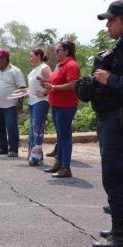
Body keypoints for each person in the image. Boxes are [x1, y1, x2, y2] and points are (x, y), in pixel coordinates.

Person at [90, 1, 123, 246]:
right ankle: (117, 229)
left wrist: (110, 79)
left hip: (117, 122)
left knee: (114, 175)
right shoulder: (118, 47)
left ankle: (119, 235)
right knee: (113, 175)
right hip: (110, 119)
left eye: (112, 20)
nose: (108, 25)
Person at [41, 41, 80, 178]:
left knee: (65, 137)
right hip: (57, 105)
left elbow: (72, 85)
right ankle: (59, 163)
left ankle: (66, 168)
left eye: (58, 50)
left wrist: (53, 88)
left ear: (66, 51)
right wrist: (46, 85)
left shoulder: (71, 65)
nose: (55, 52)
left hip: (66, 106)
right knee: (61, 136)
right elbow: (55, 83)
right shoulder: (60, 65)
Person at [0, 49, 26, 157]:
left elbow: (22, 87)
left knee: (11, 127)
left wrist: (20, 102)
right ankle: (2, 148)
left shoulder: (15, 71)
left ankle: (13, 150)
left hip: (10, 105)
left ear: (6, 59)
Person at [27, 49, 52, 166]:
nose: (30, 58)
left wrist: (45, 93)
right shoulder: (33, 70)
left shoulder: (44, 68)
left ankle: (35, 155)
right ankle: (35, 154)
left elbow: (53, 82)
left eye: (31, 56)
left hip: (41, 101)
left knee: (37, 126)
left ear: (38, 56)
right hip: (32, 102)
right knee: (32, 129)